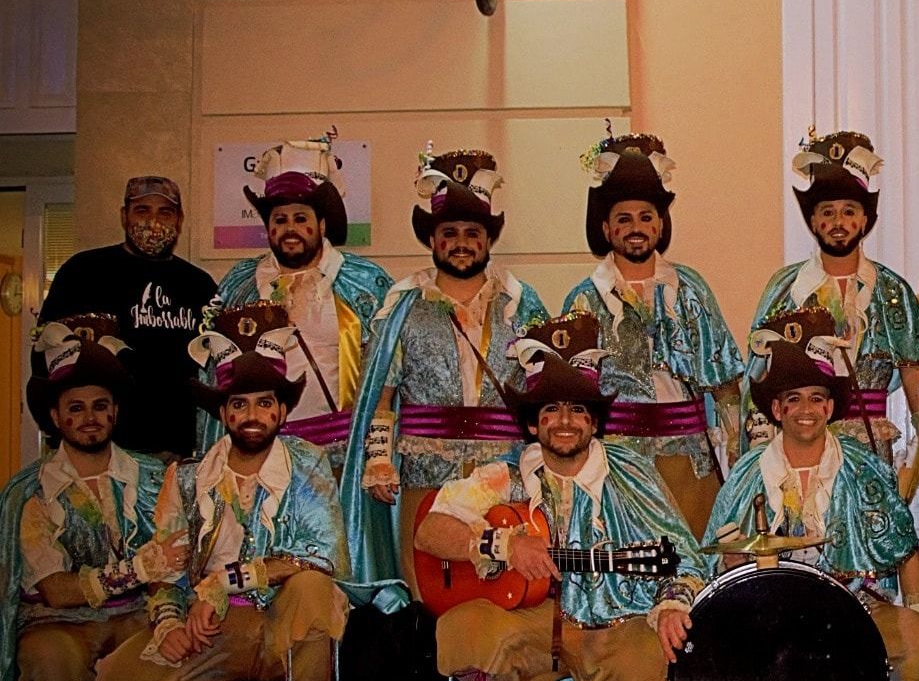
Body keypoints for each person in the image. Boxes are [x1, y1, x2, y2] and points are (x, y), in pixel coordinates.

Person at [414, 338, 710, 681]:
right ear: (534, 426)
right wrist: (504, 545)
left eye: (577, 411)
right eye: (551, 411)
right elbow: (429, 532)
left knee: (655, 658)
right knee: (463, 628)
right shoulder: (506, 475)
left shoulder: (630, 475)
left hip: (616, 619)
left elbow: (680, 553)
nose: (565, 422)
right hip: (535, 622)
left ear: (593, 424)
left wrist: (671, 603)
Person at [95, 302, 351, 681]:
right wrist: (169, 621)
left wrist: (231, 578)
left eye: (263, 403)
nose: (252, 416)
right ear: (224, 412)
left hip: (284, 618)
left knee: (315, 591)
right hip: (217, 624)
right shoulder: (187, 478)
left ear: (281, 409)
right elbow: (167, 570)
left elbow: (324, 553)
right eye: (239, 404)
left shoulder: (309, 463)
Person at [705, 336, 919, 681]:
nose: (806, 410)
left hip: (854, 604)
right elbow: (716, 554)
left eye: (817, 399)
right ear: (777, 410)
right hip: (775, 614)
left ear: (830, 408)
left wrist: (916, 608)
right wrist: (732, 562)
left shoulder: (862, 465)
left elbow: (905, 549)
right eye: (793, 399)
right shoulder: (747, 473)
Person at [342, 150, 549, 586]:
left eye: (472, 232)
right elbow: (382, 388)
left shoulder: (521, 304)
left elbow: (545, 386)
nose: (461, 242)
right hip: (424, 476)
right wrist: (379, 457)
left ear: (487, 240)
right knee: (425, 590)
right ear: (432, 241)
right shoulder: (403, 306)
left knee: (500, 588)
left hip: (501, 475)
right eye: (448, 232)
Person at [0, 317, 165, 681]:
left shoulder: (151, 479)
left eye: (99, 406)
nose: (89, 418)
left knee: (165, 644)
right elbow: (56, 588)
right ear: (55, 417)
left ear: (114, 413)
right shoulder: (30, 493)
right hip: (60, 622)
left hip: (133, 617)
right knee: (48, 656)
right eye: (76, 408)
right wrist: (137, 570)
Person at [564, 132, 743, 534]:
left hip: (688, 456)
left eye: (646, 218)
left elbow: (725, 379)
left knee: (696, 563)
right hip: (618, 462)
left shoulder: (691, 289)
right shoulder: (583, 301)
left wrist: (736, 446)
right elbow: (572, 395)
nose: (636, 228)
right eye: (624, 219)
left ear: (660, 225)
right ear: (607, 229)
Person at [747, 130, 919, 485]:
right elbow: (760, 368)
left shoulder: (892, 290)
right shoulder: (785, 289)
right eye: (828, 212)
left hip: (872, 449)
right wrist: (757, 440)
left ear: (865, 220)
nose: (838, 222)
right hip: (800, 445)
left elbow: (914, 369)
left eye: (849, 211)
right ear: (812, 221)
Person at [209, 133, 393, 458]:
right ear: (268, 228)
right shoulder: (241, 284)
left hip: (341, 453)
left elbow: (389, 370)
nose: (290, 228)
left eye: (300, 218)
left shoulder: (363, 282)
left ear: (321, 225)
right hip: (264, 452)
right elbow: (217, 377)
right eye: (280, 219)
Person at [38, 176, 217, 458]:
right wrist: (53, 425)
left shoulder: (199, 285)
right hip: (102, 451)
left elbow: (214, 372)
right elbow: (46, 358)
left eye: (165, 212)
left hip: (176, 450)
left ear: (179, 220)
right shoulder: (83, 272)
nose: (153, 221)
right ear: (124, 216)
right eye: (142, 210)